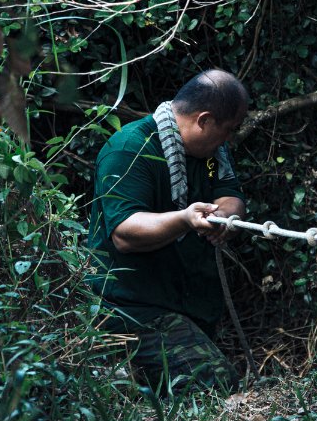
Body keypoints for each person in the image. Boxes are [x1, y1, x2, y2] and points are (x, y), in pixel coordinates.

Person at [87, 69, 248, 391]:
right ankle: (117, 369)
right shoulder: (130, 148)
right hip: (133, 308)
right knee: (216, 385)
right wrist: (185, 219)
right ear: (204, 120)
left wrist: (223, 217)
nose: (229, 140)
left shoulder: (213, 154)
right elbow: (125, 232)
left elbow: (231, 196)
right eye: (229, 130)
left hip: (187, 303)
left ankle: (134, 378)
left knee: (209, 378)